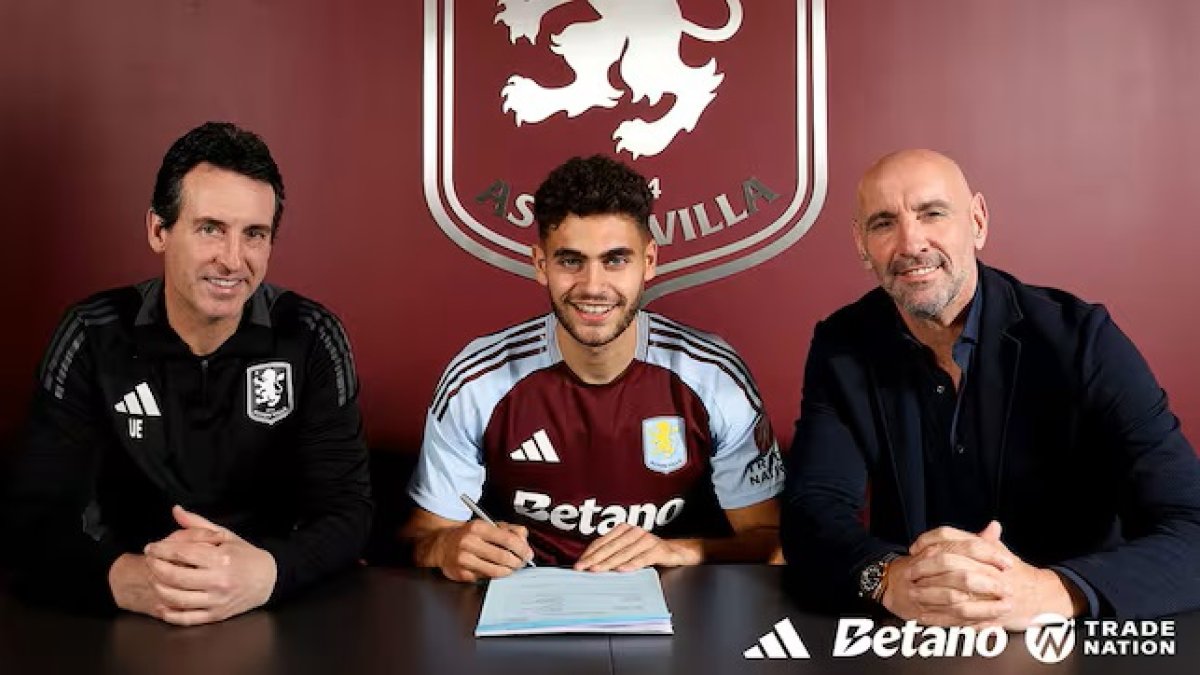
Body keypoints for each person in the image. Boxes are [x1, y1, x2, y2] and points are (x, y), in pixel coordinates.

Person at [781, 148, 1200, 625]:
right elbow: (812, 514)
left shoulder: (1082, 341)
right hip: (919, 634)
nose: (910, 242)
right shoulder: (843, 346)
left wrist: (1049, 592)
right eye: (883, 224)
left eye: (932, 213)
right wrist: (888, 578)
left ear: (977, 222)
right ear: (861, 244)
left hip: (1073, 642)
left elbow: (1192, 527)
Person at [5, 122, 372, 625]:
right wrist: (133, 580)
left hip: (271, 606)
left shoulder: (310, 336)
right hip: (125, 611)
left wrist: (264, 573)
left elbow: (349, 514)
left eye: (254, 235)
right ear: (159, 230)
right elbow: (33, 520)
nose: (232, 259)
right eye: (210, 229)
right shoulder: (93, 333)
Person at [402, 155, 783, 582]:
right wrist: (447, 547)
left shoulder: (714, 376)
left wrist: (679, 550)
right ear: (540, 264)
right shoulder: (477, 379)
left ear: (650, 261)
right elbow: (423, 537)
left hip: (673, 610)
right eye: (570, 261)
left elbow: (770, 540)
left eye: (616, 260)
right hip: (524, 608)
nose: (593, 286)